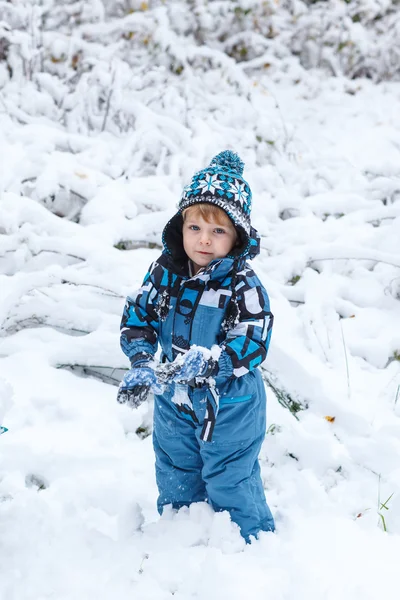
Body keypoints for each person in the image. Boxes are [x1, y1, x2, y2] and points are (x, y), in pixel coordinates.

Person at [118, 150, 275, 541]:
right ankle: (181, 538)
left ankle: (250, 546)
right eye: (195, 228)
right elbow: (139, 313)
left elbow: (256, 333)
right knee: (176, 470)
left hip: (230, 403)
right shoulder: (165, 271)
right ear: (181, 227)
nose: (204, 239)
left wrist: (213, 364)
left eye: (218, 231)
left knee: (230, 478)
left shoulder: (242, 283)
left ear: (237, 236)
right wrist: (141, 360)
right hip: (174, 397)